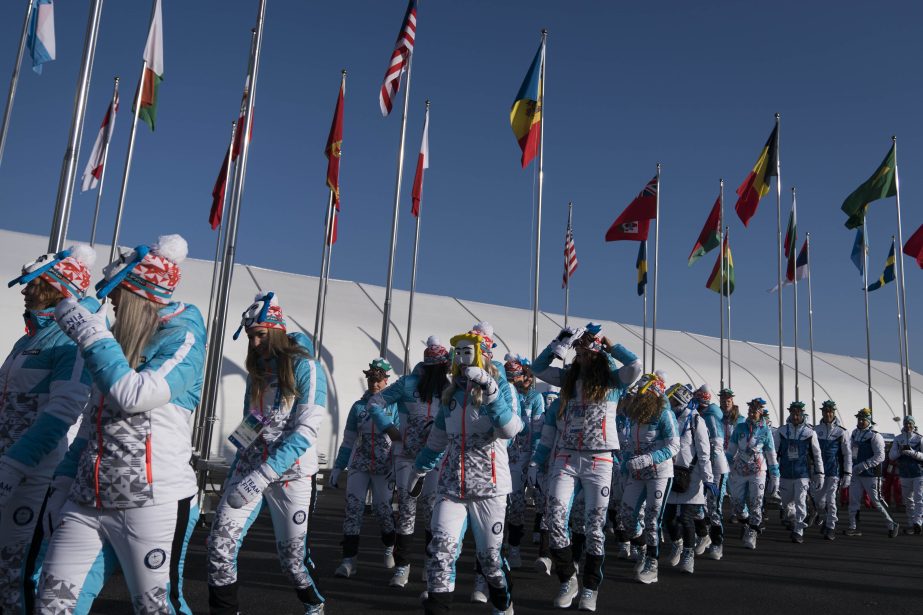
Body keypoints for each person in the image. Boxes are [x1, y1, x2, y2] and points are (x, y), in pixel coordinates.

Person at [37, 235, 203, 614]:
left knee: (156, 608)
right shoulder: (113, 343)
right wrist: (63, 482)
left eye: (116, 295)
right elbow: (91, 424)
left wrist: (89, 331)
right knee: (52, 604)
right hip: (86, 499)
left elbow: (136, 395)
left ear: (137, 295)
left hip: (153, 501)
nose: (108, 304)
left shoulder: (184, 334)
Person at [206, 293, 327, 614]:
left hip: (292, 477)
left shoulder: (307, 367)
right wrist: (236, 462)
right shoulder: (257, 370)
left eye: (260, 334)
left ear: (276, 331)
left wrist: (260, 477)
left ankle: (314, 603)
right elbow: (254, 419)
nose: (255, 343)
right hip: (250, 468)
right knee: (219, 544)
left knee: (292, 561)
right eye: (250, 337)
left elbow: (304, 433)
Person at [0, 246, 99, 614]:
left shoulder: (69, 340)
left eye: (34, 284)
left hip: (37, 476)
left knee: (18, 574)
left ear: (59, 288)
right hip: (8, 467)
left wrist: (16, 465)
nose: (24, 291)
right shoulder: (26, 340)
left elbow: (64, 411)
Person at [529, 324, 640, 610]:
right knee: (554, 519)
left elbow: (636, 365)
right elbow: (537, 368)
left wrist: (609, 343)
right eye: (578, 351)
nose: (582, 356)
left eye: (587, 351)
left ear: (599, 354)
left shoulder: (614, 382)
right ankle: (568, 578)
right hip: (566, 458)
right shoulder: (567, 379)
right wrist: (559, 342)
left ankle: (590, 587)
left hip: (599, 460)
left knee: (594, 528)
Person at [411, 327, 519, 615]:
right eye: (457, 352)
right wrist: (419, 469)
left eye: (467, 351)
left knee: (490, 562)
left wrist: (491, 391)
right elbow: (437, 438)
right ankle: (437, 607)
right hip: (451, 486)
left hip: (490, 488)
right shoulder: (451, 392)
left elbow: (511, 430)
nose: (460, 357)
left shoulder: (502, 386)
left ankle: (503, 604)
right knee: (441, 553)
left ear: (483, 355)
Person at [365, 336, 450, 587]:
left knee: (433, 511)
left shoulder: (448, 389)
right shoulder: (407, 384)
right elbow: (375, 403)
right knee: (406, 510)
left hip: (435, 457)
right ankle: (402, 567)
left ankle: (429, 564)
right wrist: (389, 428)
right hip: (406, 457)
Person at [330, 359, 400, 579]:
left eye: (378, 380)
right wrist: (338, 466)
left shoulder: (395, 405)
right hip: (359, 464)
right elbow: (349, 439)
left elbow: (400, 439)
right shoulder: (358, 407)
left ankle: (390, 546)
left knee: (383, 511)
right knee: (353, 509)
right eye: (371, 379)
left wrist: (399, 469)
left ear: (387, 380)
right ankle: (348, 560)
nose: (374, 384)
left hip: (385, 465)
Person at [618, 373, 679, 586]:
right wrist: (624, 464)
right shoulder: (635, 415)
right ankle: (642, 548)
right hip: (636, 474)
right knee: (626, 515)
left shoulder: (664, 414)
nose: (637, 399)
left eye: (642, 395)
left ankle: (653, 564)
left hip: (659, 474)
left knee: (653, 519)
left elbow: (673, 446)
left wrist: (647, 459)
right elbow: (629, 443)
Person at [663, 384, 714, 575]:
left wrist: (708, 478)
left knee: (685, 518)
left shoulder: (695, 421)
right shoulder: (668, 418)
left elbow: (704, 452)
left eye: (673, 399)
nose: (669, 402)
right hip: (669, 472)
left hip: (691, 476)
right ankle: (677, 543)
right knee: (667, 518)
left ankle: (688, 554)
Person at [501, 355, 543, 570]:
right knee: (508, 504)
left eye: (527, 376)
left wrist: (535, 460)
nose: (525, 380)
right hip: (506, 456)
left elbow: (536, 431)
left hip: (526, 457)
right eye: (520, 376)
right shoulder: (505, 394)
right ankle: (507, 547)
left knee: (526, 503)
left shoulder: (536, 399)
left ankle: (520, 545)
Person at [726, 398, 779, 550]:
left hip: (758, 471)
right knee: (736, 505)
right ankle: (748, 521)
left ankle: (753, 531)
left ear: (760, 412)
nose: (751, 413)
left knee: (756, 502)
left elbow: (771, 454)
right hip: (740, 470)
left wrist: (775, 475)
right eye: (749, 410)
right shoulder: (740, 427)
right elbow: (731, 451)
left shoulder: (765, 430)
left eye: (754, 411)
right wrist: (725, 467)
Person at [773, 401, 823, 543]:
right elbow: (774, 452)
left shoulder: (809, 433)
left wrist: (820, 473)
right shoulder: (781, 431)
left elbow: (817, 454)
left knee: (800, 501)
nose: (795, 416)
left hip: (802, 474)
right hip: (785, 474)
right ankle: (795, 522)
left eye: (798, 414)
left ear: (802, 414)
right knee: (786, 504)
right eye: (793, 413)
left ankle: (798, 531)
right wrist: (773, 473)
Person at [846, 408, 899, 537]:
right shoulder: (854, 433)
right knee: (853, 500)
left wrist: (863, 465)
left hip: (871, 474)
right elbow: (851, 451)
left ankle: (892, 524)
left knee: (877, 501)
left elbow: (880, 456)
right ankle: (854, 526)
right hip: (856, 473)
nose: (861, 421)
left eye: (863, 419)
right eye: (859, 418)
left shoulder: (875, 435)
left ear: (868, 421)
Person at [695, 385, 728, 560]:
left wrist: (709, 470)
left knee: (714, 507)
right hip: (702, 466)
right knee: (696, 504)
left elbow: (716, 446)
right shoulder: (697, 416)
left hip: (716, 468)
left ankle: (717, 542)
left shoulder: (711, 417)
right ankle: (703, 535)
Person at [812, 400, 851, 540]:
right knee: (818, 501)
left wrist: (847, 473)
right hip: (819, 472)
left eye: (830, 411)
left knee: (831, 499)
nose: (828, 414)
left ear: (833, 413)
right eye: (825, 411)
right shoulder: (815, 430)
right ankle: (824, 518)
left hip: (834, 471)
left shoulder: (841, 432)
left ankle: (831, 526)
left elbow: (847, 454)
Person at [888, 416, 922, 535]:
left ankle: (918, 522)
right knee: (908, 501)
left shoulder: (919, 438)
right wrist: (900, 451)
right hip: (904, 474)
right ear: (903, 424)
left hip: (918, 473)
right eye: (906, 423)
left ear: (913, 425)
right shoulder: (898, 439)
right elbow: (891, 456)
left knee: (919, 499)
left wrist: (912, 453)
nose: (908, 425)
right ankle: (911, 524)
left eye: (910, 423)